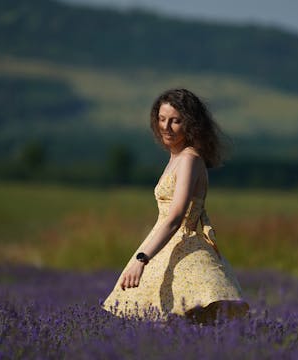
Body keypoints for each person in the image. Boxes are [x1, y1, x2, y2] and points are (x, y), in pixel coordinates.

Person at [102, 89, 249, 323]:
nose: (166, 127)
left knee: (184, 325)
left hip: (184, 250)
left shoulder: (189, 159)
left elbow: (176, 216)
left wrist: (142, 259)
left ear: (191, 125)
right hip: (165, 246)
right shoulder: (177, 157)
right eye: (161, 119)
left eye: (175, 121)